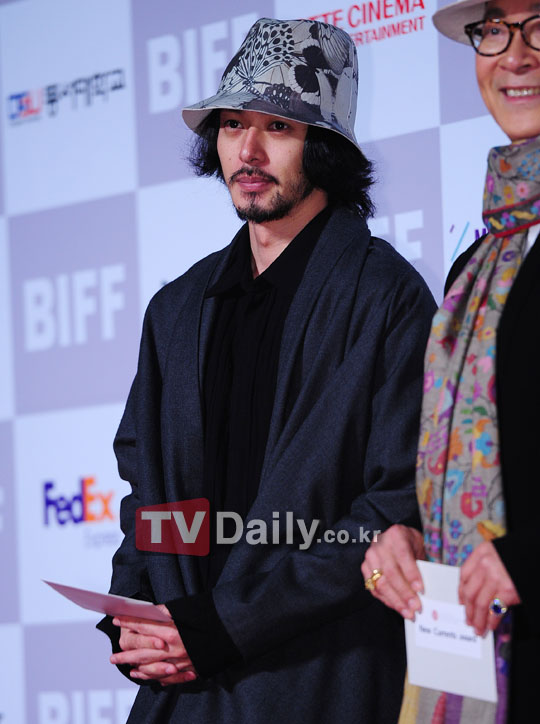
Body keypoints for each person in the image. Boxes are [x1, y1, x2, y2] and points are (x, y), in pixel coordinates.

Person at [98, 17, 436, 723]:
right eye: (232, 125)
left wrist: (225, 626)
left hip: (321, 678)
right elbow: (153, 492)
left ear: (326, 147)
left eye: (278, 127)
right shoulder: (178, 308)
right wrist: (138, 608)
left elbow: (391, 507)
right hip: (184, 690)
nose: (247, 152)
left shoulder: (386, 296)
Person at [361, 0, 540, 720]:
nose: (515, 55)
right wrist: (413, 538)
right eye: (494, 29)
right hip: (477, 666)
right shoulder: (480, 263)